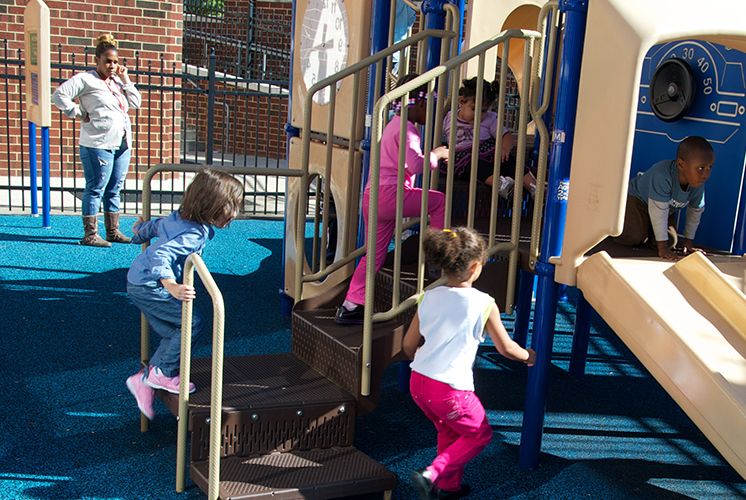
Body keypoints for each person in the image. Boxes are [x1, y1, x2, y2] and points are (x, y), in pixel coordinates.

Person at [403, 227, 536, 500]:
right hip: (451, 390)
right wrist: (530, 356)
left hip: (419, 383)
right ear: (476, 267)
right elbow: (506, 348)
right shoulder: (483, 303)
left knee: (449, 432)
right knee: (479, 435)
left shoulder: (428, 297)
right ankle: (433, 473)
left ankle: (450, 487)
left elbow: (408, 345)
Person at [125, 169, 244, 420]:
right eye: (231, 206)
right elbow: (162, 254)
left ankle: (145, 381)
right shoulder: (193, 233)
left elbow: (158, 226)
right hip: (151, 285)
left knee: (174, 332)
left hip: (139, 280)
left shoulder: (180, 217)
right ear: (212, 205)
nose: (235, 212)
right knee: (193, 323)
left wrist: (140, 231)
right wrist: (170, 284)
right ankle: (165, 373)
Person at [334, 74, 449, 324]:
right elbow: (417, 164)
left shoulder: (392, 124)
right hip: (391, 195)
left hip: (373, 196)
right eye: (429, 104)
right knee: (439, 201)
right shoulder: (408, 130)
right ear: (418, 104)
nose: (431, 111)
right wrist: (437, 154)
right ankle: (437, 258)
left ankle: (351, 304)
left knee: (373, 255)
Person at [51, 34, 141, 247]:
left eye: (116, 62)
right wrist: (78, 112)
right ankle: (90, 234)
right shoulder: (85, 79)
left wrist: (126, 79)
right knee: (96, 187)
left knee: (114, 188)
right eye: (108, 61)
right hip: (97, 144)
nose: (112, 65)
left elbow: (136, 102)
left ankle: (113, 231)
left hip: (121, 143)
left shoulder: (118, 81)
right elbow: (58, 95)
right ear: (97, 61)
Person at [614, 136, 714, 261]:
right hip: (637, 200)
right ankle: (613, 228)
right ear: (681, 164)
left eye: (710, 167)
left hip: (663, 210)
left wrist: (688, 242)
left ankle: (646, 230)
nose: (705, 174)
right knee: (635, 236)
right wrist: (663, 248)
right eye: (700, 168)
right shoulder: (663, 175)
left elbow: (695, 213)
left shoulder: (698, 183)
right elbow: (658, 212)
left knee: (671, 241)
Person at [441, 77, 538, 199]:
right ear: (461, 102)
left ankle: (534, 188)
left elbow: (506, 135)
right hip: (464, 158)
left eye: (483, 111)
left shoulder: (490, 118)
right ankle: (501, 185)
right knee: (475, 166)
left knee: (510, 162)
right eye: (474, 109)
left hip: (487, 152)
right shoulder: (450, 118)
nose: (478, 115)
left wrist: (505, 148)